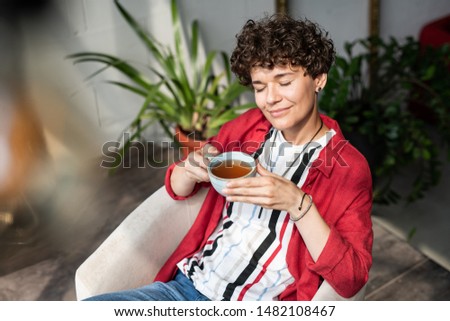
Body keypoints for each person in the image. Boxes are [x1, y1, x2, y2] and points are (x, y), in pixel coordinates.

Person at [86, 13, 373, 301]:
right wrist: (191, 167)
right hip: (182, 290)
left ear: (318, 79)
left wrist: (297, 204)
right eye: (260, 87)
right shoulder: (248, 127)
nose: (270, 98)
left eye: (284, 82)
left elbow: (351, 279)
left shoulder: (347, 168)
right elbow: (176, 188)